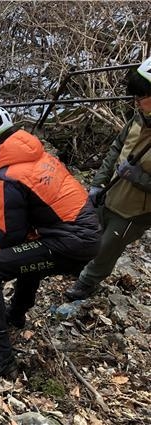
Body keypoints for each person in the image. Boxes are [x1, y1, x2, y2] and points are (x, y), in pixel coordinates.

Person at [0, 105, 101, 387]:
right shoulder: (37, 154)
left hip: (71, 241)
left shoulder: (6, 177)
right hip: (84, 233)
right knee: (28, 248)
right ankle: (16, 314)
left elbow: (8, 237)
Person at [65, 57, 151, 301]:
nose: (136, 101)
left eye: (142, 95)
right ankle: (77, 265)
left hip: (135, 211)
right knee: (89, 231)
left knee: (107, 247)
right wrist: (98, 184)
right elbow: (116, 149)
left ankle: (86, 282)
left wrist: (139, 178)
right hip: (111, 193)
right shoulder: (139, 119)